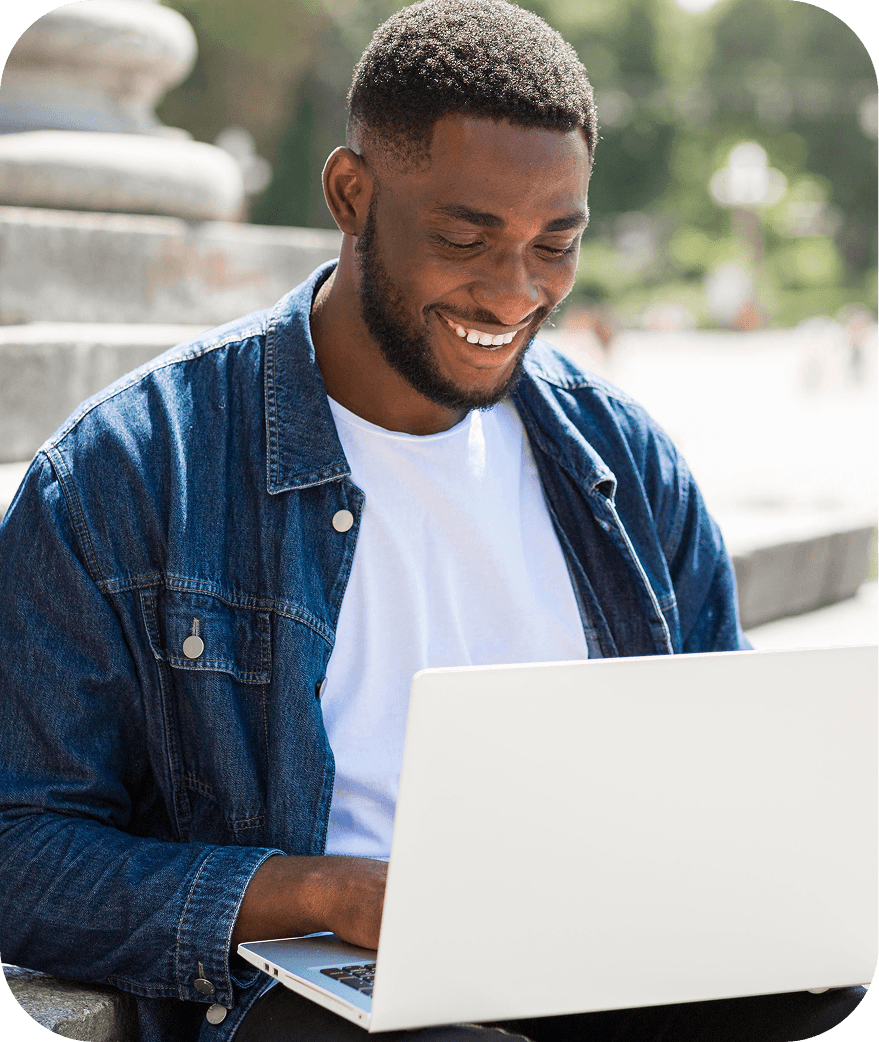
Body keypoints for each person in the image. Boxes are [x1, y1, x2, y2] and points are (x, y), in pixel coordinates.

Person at [0, 2, 865, 1040]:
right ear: (350, 194)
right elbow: (21, 844)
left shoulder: (623, 460)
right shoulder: (134, 467)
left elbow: (727, 770)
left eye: (557, 243)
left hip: (594, 946)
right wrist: (319, 894)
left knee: (830, 983)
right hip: (314, 988)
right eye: (466, 236)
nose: (514, 292)